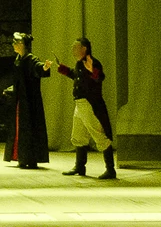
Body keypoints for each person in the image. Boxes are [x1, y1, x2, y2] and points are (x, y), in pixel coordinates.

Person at [43, 37, 116, 179]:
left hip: (90, 105)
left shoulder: (93, 63)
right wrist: (62, 68)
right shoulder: (79, 64)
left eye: (75, 47)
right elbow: (76, 76)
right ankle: (80, 166)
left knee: (99, 135)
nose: (73, 49)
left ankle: (110, 169)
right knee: (78, 136)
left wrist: (92, 70)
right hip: (80, 105)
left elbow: (99, 77)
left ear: (84, 48)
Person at [3, 31, 49, 168]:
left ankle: (30, 157)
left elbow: (38, 67)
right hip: (20, 100)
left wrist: (44, 67)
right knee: (19, 128)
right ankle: (20, 156)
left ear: (22, 44)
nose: (13, 44)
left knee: (29, 128)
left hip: (30, 102)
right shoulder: (18, 59)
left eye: (16, 42)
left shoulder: (31, 59)